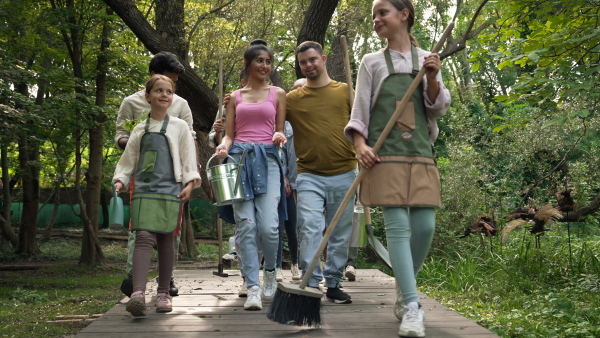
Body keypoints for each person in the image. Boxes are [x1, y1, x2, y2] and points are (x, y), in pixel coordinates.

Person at [344, 0, 451, 336]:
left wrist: (432, 78)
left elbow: (437, 108)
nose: (376, 19)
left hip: (420, 152)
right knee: (399, 228)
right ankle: (412, 305)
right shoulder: (371, 62)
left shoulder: (426, 60)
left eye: (382, 13)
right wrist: (360, 146)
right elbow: (359, 113)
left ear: (404, 15)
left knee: (425, 227)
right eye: (374, 15)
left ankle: (404, 294)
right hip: (383, 155)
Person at [113, 75, 201, 316]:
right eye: (159, 91)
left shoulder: (180, 127)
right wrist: (120, 180)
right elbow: (127, 161)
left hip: (172, 190)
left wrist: (190, 183)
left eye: (169, 91)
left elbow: (188, 159)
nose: (164, 95)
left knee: (166, 239)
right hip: (142, 191)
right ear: (147, 96)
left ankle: (163, 293)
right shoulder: (139, 130)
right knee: (142, 237)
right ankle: (138, 294)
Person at [214, 39, 287, 311]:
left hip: (267, 160)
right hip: (238, 161)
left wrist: (279, 135)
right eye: (259, 61)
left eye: (268, 62)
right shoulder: (234, 97)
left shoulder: (278, 93)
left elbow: (278, 129)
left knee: (268, 226)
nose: (265, 66)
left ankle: (270, 272)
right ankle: (252, 285)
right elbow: (230, 134)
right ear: (248, 64)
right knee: (246, 225)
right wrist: (223, 144)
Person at [286, 41, 357, 304]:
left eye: (313, 59)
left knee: (340, 231)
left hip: (345, 172)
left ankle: (334, 282)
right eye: (303, 62)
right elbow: (264, 117)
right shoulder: (291, 99)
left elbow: (363, 125)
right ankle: (312, 282)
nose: (308, 65)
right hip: (309, 175)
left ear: (324, 59)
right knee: (310, 228)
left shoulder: (346, 91)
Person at [208, 71, 264, 298]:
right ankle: (246, 279)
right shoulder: (229, 103)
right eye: (246, 81)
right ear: (242, 82)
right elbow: (213, 137)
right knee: (245, 226)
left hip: (262, 169)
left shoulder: (271, 99)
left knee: (264, 228)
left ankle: (262, 274)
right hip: (235, 170)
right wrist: (218, 134)